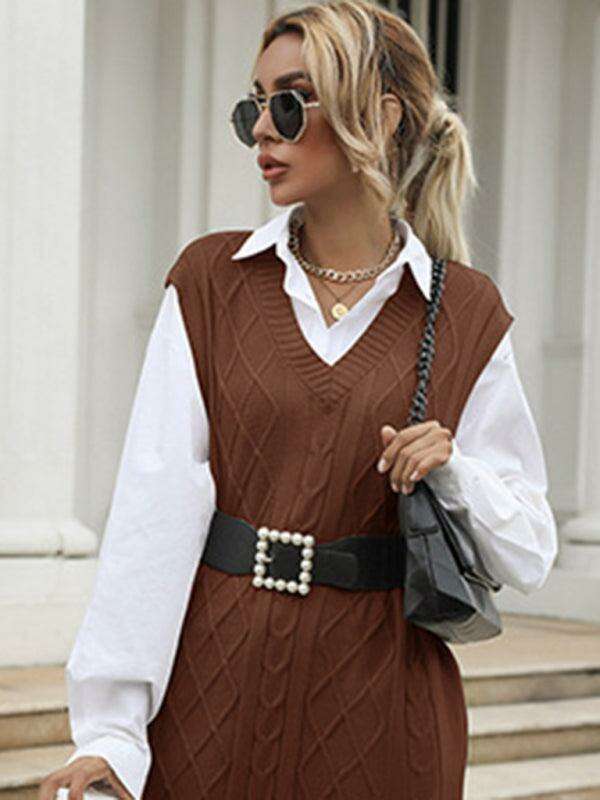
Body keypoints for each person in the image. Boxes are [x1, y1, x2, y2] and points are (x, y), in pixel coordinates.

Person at [39, 1, 558, 798]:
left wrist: (453, 470)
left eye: (291, 102)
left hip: (386, 710)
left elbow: (529, 549)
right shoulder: (212, 283)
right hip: (213, 687)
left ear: (381, 116)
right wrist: (111, 731)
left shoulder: (464, 312)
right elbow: (155, 511)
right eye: (254, 104)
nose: (262, 129)